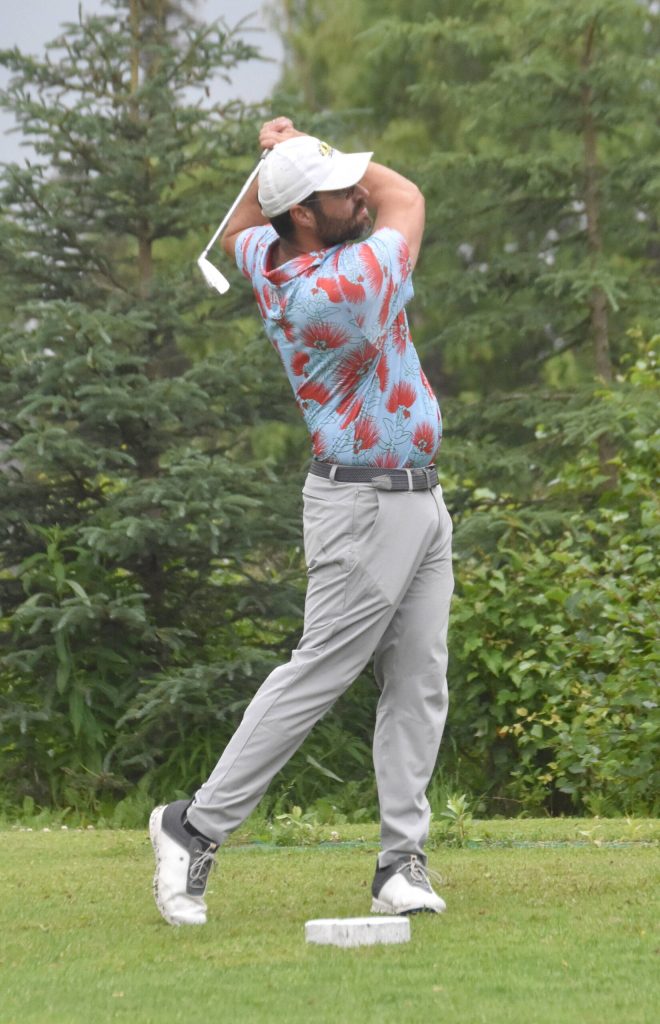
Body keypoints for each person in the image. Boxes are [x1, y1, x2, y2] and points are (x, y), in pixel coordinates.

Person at [149, 117, 454, 927]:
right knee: (319, 672)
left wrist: (288, 160)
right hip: (363, 507)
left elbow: (250, 221)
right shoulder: (342, 287)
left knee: (419, 683)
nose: (359, 192)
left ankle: (399, 861)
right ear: (309, 219)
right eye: (336, 191)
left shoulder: (267, 251)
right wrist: (300, 144)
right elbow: (406, 195)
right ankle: (194, 826)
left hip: (416, 498)